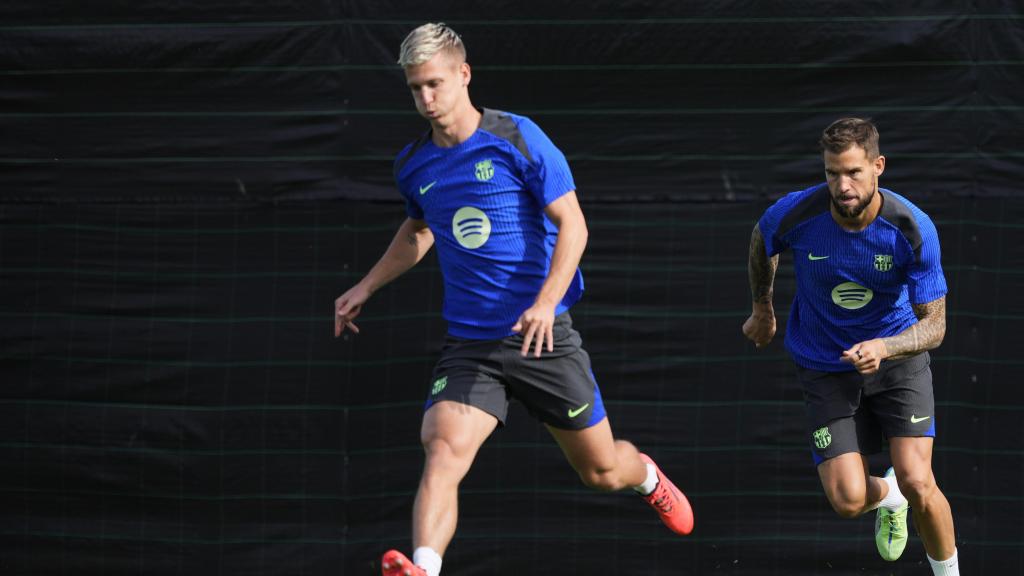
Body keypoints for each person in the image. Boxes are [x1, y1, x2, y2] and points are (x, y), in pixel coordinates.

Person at [334, 22, 694, 576]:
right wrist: (365, 285)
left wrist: (547, 303)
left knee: (600, 471)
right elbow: (418, 233)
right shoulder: (414, 164)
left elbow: (573, 225)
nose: (426, 99)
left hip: (542, 338)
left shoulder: (517, 137)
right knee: (442, 447)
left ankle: (643, 473)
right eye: (414, 88)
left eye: (434, 83)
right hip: (472, 344)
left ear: (464, 74)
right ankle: (424, 567)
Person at [742, 118, 958, 575]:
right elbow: (764, 240)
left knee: (920, 482)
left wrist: (884, 345)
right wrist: (763, 307)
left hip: (897, 360)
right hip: (825, 365)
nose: (842, 185)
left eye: (854, 172)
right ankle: (888, 495)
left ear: (878, 166)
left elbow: (934, 327)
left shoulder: (912, 228)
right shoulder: (797, 213)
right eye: (832, 173)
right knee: (848, 500)